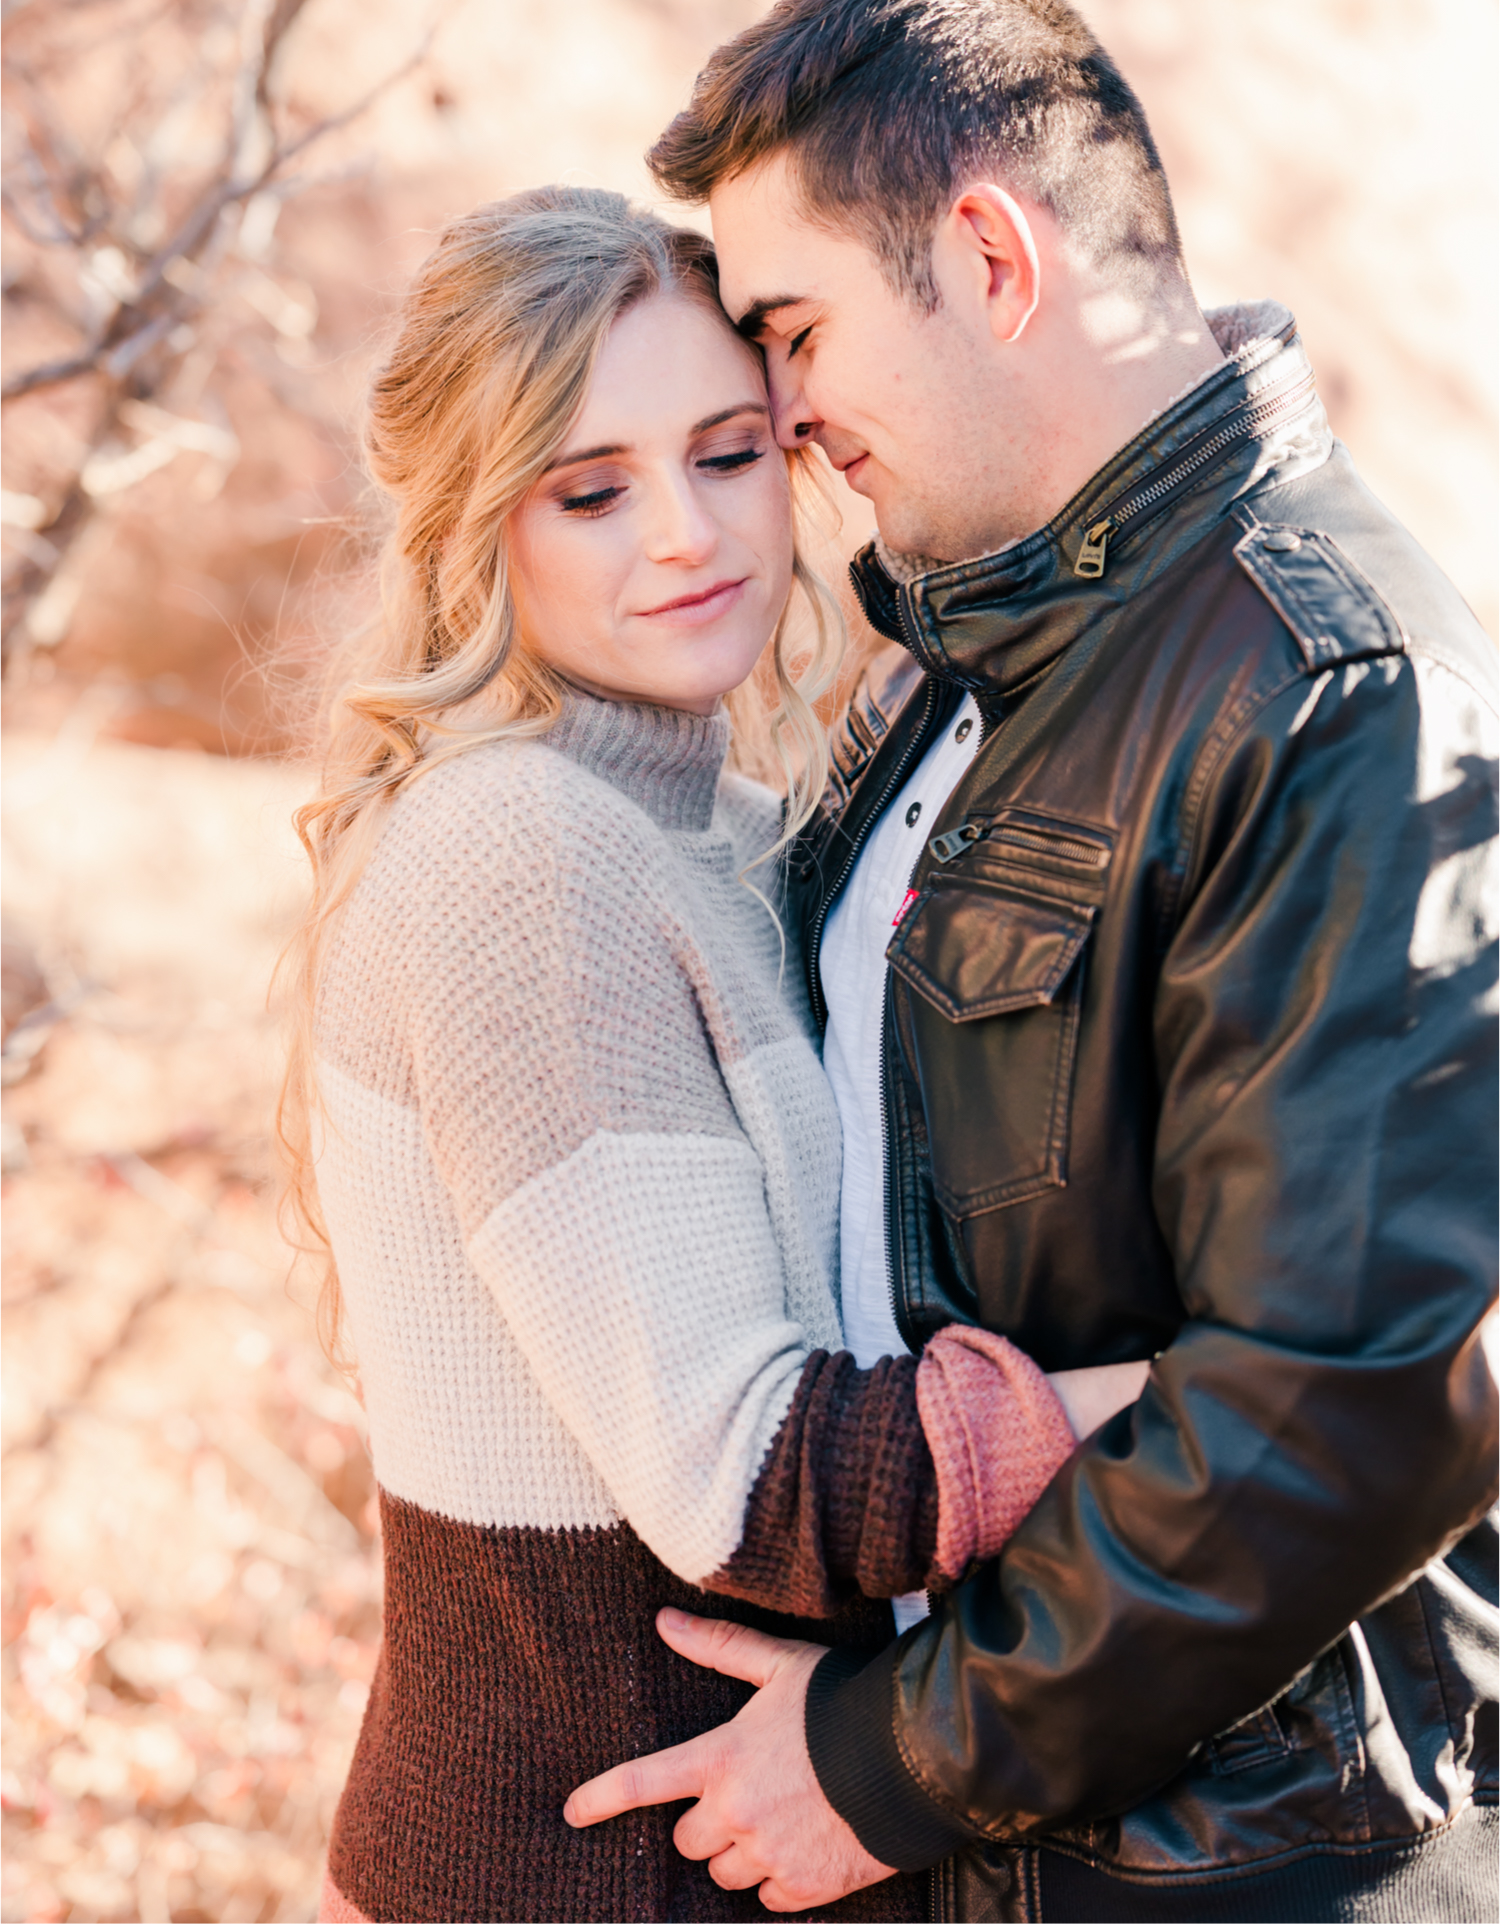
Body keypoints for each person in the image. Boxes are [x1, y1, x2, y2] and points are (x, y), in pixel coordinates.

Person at [564, 0, 1500, 1922]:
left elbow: (1358, 1390)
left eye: (798, 329)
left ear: (993, 260)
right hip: (999, 1831)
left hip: (1231, 1865)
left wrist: (894, 1765)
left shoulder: (1338, 687)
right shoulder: (963, 660)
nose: (787, 414)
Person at [278, 186, 1147, 1924]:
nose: (687, 532)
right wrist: (1205, 1407)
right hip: (590, 1875)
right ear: (478, 526)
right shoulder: (527, 854)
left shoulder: (737, 838)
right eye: (591, 490)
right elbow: (744, 1475)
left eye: (731, 453)